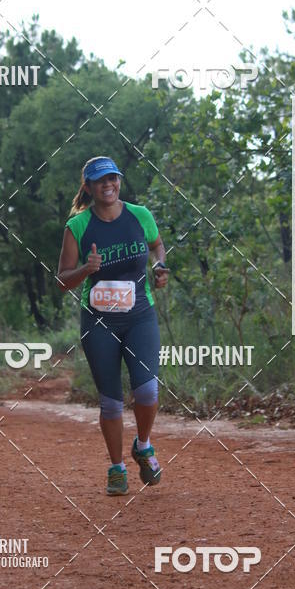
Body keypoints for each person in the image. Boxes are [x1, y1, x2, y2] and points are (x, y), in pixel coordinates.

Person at [57, 156, 169, 495]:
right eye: (99, 181)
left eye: (112, 178)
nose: (108, 185)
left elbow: (156, 245)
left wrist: (160, 266)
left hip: (140, 315)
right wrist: (85, 269)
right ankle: (116, 467)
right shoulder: (77, 227)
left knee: (147, 389)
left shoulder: (140, 215)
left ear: (119, 181)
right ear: (89, 187)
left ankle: (144, 445)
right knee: (111, 402)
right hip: (99, 321)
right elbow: (62, 280)